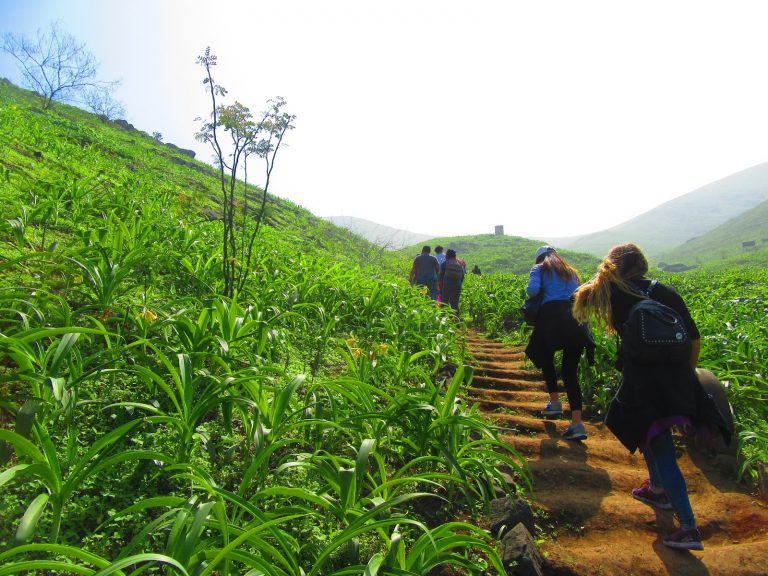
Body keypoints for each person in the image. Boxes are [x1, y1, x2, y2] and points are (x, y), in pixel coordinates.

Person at [572, 243, 730, 551]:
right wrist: (684, 378)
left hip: (643, 384)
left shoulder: (614, 294)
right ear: (642, 265)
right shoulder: (666, 292)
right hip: (675, 382)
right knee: (653, 437)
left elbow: (586, 309)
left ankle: (688, 527)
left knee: (660, 446)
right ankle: (657, 488)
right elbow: (693, 340)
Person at [524, 246, 594, 441]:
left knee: (544, 355)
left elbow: (532, 291)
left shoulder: (539, 268)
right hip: (575, 319)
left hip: (552, 318)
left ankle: (554, 402)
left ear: (539, 258)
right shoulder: (571, 271)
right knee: (570, 372)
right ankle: (577, 423)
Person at [438, 248, 465, 313]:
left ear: (447, 255)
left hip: (447, 284)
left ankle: (444, 318)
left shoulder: (445, 263)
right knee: (455, 302)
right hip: (457, 284)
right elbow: (462, 275)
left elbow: (440, 276)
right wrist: (459, 283)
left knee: (445, 301)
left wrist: (439, 287)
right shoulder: (459, 263)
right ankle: (456, 318)